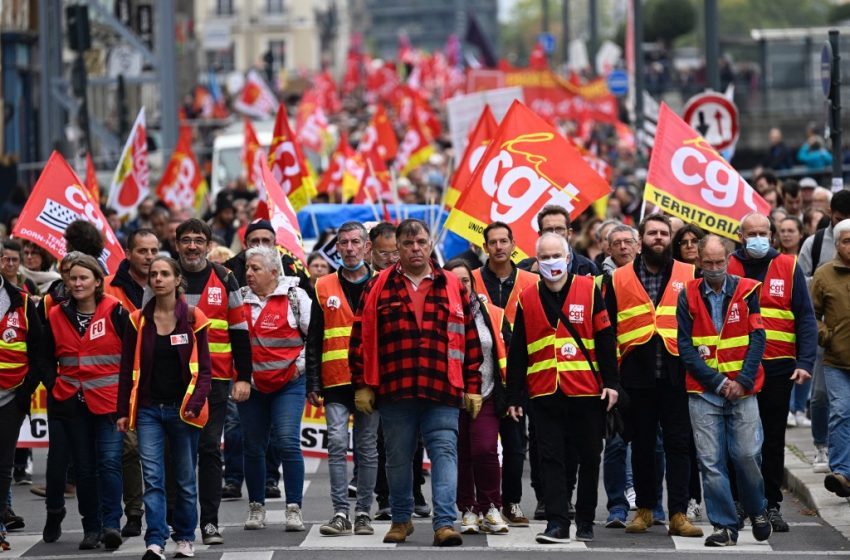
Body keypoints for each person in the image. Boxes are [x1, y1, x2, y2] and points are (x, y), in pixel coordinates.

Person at [350, 218, 483, 547]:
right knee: (397, 457)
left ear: (429, 243)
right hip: (396, 388)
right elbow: (361, 336)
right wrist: (363, 383)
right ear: (398, 247)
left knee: (445, 453)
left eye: (421, 242)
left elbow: (469, 339)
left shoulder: (452, 284)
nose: (415, 249)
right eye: (407, 244)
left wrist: (472, 385)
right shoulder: (378, 285)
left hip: (443, 387)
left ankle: (444, 523)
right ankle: (401, 519)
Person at [505, 232, 619, 543]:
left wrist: (612, 383)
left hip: (586, 391)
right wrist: (514, 395)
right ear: (536, 261)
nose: (552, 262)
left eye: (557, 255)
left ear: (568, 258)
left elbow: (606, 339)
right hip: (544, 392)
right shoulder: (526, 298)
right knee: (551, 459)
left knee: (589, 457)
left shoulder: (589, 288)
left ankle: (584, 519)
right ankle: (557, 522)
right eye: (545, 257)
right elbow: (518, 350)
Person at [604, 214, 703, 538]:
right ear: (641, 240)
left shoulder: (689, 273)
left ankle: (677, 513)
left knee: (678, 446)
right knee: (642, 445)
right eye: (652, 233)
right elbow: (608, 331)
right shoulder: (617, 278)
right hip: (636, 376)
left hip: (677, 374)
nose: (658, 238)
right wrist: (613, 379)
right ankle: (645, 510)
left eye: (663, 233)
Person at [676, 234, 773, 547]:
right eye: (708, 263)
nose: (715, 268)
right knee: (711, 462)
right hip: (704, 392)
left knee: (746, 455)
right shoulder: (688, 295)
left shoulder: (747, 291)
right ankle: (724, 526)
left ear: (729, 260)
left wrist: (742, 380)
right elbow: (685, 347)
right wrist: (717, 382)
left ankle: (758, 508)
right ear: (698, 262)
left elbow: (758, 338)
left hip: (743, 390)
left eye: (720, 262)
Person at [726, 212, 817, 532]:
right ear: (741, 237)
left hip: (779, 366)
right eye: (751, 233)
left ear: (772, 235)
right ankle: (739, 502)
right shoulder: (727, 267)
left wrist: (805, 363)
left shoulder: (788, 266)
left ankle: (771, 504)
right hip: (738, 368)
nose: (758, 238)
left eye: (763, 232)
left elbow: (805, 317)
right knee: (738, 440)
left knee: (772, 438)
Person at [117, 257, 212, 560]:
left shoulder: (195, 318)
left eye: (164, 274)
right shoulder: (137, 320)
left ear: (176, 280)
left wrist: (195, 404)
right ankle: (155, 541)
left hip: (184, 411)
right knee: (154, 479)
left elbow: (206, 371)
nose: (157, 278)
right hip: (148, 411)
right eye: (153, 274)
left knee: (184, 479)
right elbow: (126, 369)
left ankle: (184, 538)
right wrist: (122, 410)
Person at [174, 219, 252, 545]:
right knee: (175, 455)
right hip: (172, 381)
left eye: (198, 241)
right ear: (177, 244)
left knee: (208, 450)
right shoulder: (165, 275)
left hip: (215, 381)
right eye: (186, 240)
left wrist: (244, 377)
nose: (192, 246)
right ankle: (177, 524)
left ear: (208, 245)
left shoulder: (225, 278)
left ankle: (209, 523)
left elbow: (239, 330)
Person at [43, 254, 128, 550]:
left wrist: (126, 401)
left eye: (84, 278)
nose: (78, 283)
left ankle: (111, 525)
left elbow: (131, 358)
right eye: (73, 278)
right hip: (71, 403)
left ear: (97, 281)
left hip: (108, 404)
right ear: (66, 281)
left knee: (109, 463)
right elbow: (44, 356)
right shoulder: (55, 314)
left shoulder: (116, 311)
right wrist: (54, 384)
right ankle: (91, 527)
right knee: (84, 468)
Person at [306, 222, 379, 536]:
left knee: (367, 448)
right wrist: (312, 382)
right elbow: (314, 338)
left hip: (371, 381)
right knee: (336, 444)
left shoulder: (382, 283)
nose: (349, 249)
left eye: (354, 242)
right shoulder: (323, 286)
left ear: (367, 247)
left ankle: (363, 512)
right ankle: (340, 513)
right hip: (335, 380)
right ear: (336, 247)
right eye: (343, 243)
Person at [239, 246, 311, 532]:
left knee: (287, 441)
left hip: (289, 385)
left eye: (255, 268)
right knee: (253, 446)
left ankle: (293, 508)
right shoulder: (239, 300)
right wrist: (240, 377)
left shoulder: (296, 296)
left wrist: (299, 368)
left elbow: (313, 337)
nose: (249, 273)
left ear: (273, 272)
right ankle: (257, 507)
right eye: (247, 268)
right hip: (252, 387)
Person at [469, 222, 535, 526]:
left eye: (503, 241)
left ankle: (512, 502)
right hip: (481, 373)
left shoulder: (530, 281)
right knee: (478, 446)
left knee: (514, 444)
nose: (498, 247)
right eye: (492, 242)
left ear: (513, 244)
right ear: (485, 247)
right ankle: (477, 503)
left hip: (518, 372)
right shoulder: (470, 280)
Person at [445, 258, 510, 535]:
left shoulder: (493, 313)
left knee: (485, 450)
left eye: (466, 280)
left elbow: (507, 352)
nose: (462, 285)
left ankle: (491, 507)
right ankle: (468, 509)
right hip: (451, 396)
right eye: (456, 281)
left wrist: (512, 394)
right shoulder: (440, 313)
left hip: (487, 393)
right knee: (461, 453)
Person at [103, 229, 159, 538]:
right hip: (123, 380)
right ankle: (134, 512)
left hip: (160, 381)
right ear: (128, 253)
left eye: (153, 251)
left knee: (160, 453)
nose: (149, 257)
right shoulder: (110, 288)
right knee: (128, 449)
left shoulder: (166, 279)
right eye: (143, 251)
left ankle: (165, 514)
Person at [799, 190, 850, 473]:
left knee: (844, 409)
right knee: (820, 396)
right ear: (831, 214)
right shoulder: (815, 243)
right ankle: (822, 446)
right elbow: (800, 280)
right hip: (827, 338)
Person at [0, 259, 43, 551]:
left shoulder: (22, 301)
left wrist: (24, 392)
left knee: (3, 467)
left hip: (10, 398)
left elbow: (39, 353)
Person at [810, 219, 850, 498]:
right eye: (846, 241)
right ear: (836, 244)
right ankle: (842, 473)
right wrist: (826, 334)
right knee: (841, 411)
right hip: (836, 360)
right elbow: (809, 316)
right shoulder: (823, 275)